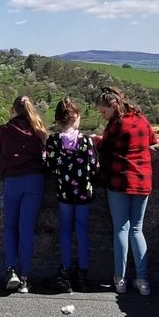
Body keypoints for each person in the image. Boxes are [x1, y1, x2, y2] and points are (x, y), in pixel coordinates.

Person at [93, 86, 158, 295]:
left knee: (121, 229)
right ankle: (142, 280)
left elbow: (104, 147)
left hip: (120, 181)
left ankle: (120, 280)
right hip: (142, 181)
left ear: (113, 106)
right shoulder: (141, 120)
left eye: (104, 112)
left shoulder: (116, 125)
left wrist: (96, 140)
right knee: (137, 230)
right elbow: (153, 140)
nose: (103, 117)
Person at [42, 97, 98, 293]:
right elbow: (94, 167)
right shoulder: (87, 141)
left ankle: (65, 273)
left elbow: (48, 165)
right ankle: (83, 275)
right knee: (82, 232)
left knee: (65, 231)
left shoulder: (53, 141)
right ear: (76, 118)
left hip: (64, 192)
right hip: (83, 193)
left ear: (58, 120)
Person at [0, 95, 48, 294]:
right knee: (26, 230)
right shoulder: (38, 130)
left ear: (13, 109)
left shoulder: (5, 130)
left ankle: (11, 271)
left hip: (13, 181)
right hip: (34, 181)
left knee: (10, 227)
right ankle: (25, 278)